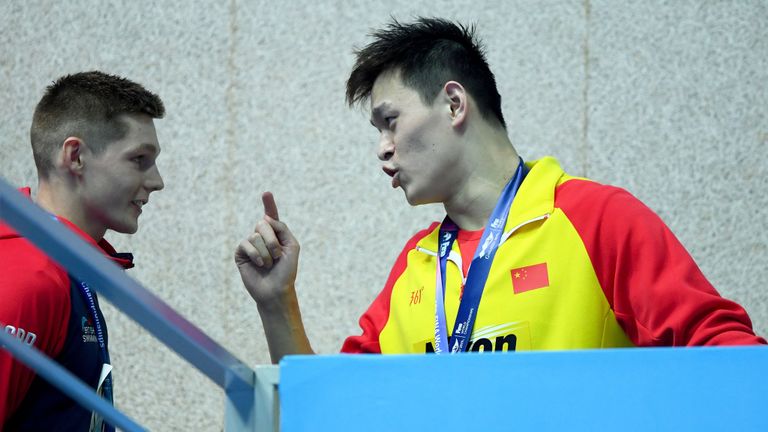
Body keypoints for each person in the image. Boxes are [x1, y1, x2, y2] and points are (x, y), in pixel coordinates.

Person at [234, 17, 765, 362]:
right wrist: (278, 304)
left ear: (454, 104)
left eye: (390, 121)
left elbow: (733, 361)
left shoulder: (597, 219)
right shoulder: (414, 267)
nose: (383, 148)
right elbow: (332, 412)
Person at [0, 71, 165, 431]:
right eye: (139, 159)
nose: (156, 182)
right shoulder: (31, 275)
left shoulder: (64, 266)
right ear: (75, 156)